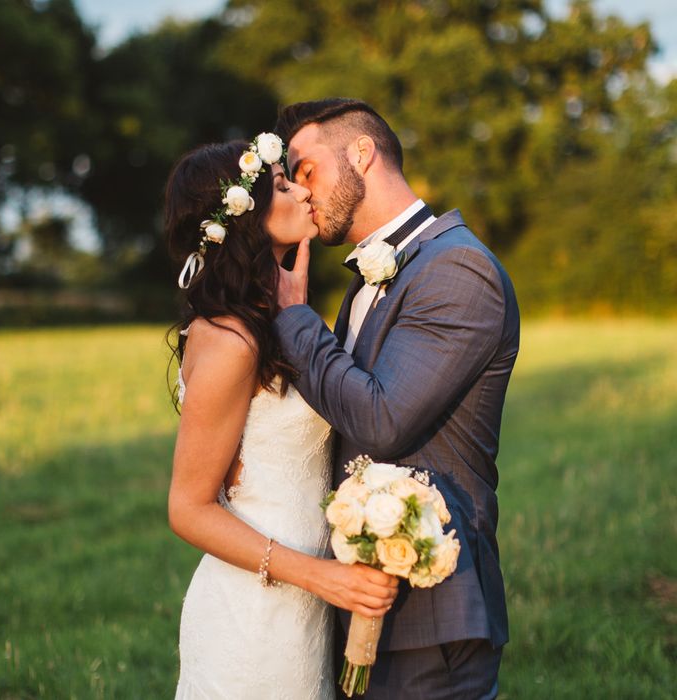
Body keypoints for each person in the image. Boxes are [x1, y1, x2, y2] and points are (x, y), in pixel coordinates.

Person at [273, 99, 520, 699]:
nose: (302, 195)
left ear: (362, 152)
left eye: (307, 171)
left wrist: (293, 316)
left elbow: (381, 420)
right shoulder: (370, 278)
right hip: (361, 600)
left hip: (432, 614)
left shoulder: (457, 267)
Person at [164, 136, 399, 699]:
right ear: (242, 220)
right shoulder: (230, 340)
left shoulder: (276, 317)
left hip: (305, 609)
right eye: (281, 185)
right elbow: (188, 508)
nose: (301, 189)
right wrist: (323, 577)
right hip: (252, 615)